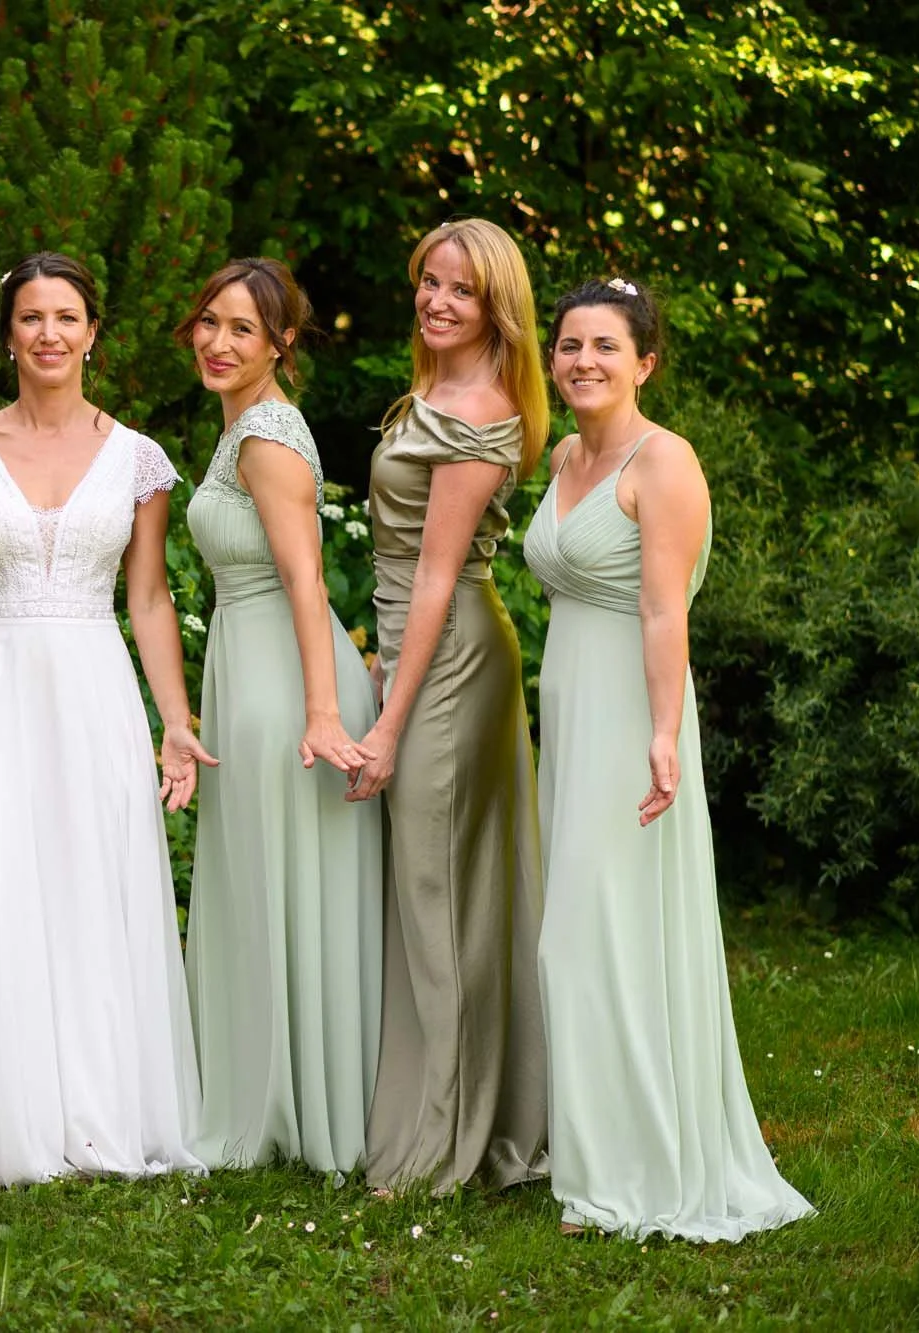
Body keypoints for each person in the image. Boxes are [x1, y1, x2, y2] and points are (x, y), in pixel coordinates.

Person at [0, 252, 210, 1194]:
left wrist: (175, 721)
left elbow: (147, 599)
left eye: (66, 316)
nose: (49, 334)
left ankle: (97, 1107)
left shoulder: (139, 458)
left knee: (90, 882)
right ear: (9, 336)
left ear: (93, 332)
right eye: (31, 317)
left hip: (96, 687)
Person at [526, 278, 814, 1240]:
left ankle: (632, 1171)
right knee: (583, 933)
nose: (584, 362)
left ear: (644, 361)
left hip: (630, 714)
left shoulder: (666, 462)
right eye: (569, 345)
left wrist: (660, 734)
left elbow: (662, 610)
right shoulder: (566, 454)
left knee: (593, 936)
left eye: (606, 347)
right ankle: (596, 1151)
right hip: (569, 708)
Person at [356, 217, 550, 1195]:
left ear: (495, 310)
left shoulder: (481, 414)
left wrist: (388, 721)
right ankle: (453, 1108)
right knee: (434, 887)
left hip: (451, 658)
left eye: (459, 290)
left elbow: (434, 577)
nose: (436, 301)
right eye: (427, 281)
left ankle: (445, 1139)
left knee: (437, 889)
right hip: (411, 646)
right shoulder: (428, 389)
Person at [176, 258, 383, 1175]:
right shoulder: (238, 426)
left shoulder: (266, 434)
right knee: (266, 880)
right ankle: (267, 1084)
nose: (220, 343)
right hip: (249, 666)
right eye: (210, 323)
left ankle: (304, 1105)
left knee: (284, 880)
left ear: (281, 345)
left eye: (243, 331)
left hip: (282, 685)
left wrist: (324, 713)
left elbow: (307, 578)